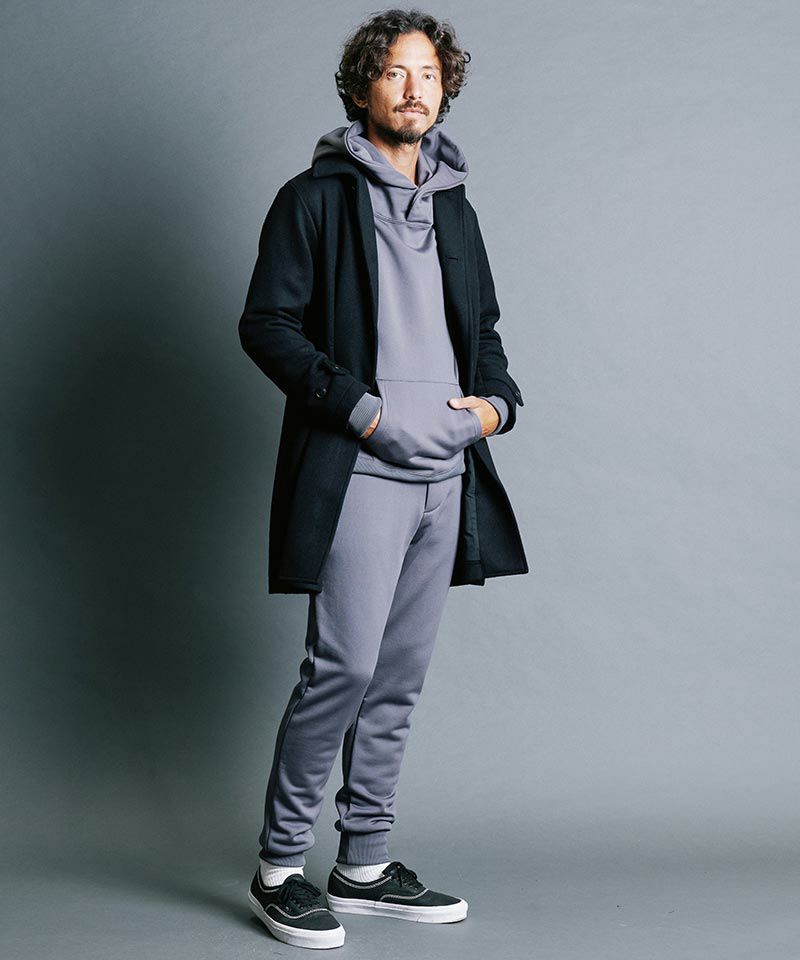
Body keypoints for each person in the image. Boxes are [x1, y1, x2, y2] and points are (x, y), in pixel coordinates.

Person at [238, 8, 527, 950]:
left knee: (398, 678)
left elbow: (483, 332)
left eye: (429, 75)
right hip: (359, 466)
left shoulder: (458, 207)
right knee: (345, 667)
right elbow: (266, 325)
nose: (414, 89)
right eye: (396, 72)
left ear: (446, 89)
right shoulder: (314, 199)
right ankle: (280, 868)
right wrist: (362, 410)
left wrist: (494, 408)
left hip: (446, 473)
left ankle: (362, 863)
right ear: (363, 86)